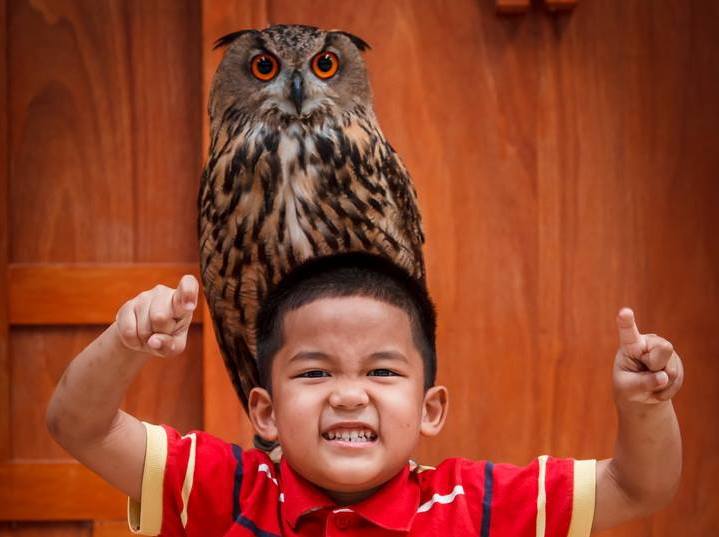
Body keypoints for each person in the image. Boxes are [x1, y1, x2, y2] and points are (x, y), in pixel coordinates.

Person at [45, 253, 683, 536]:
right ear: (264, 411)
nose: (349, 396)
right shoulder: (220, 493)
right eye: (316, 373)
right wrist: (125, 343)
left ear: (430, 409)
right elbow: (81, 425)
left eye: (381, 372)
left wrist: (644, 405)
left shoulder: (478, 507)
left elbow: (638, 488)